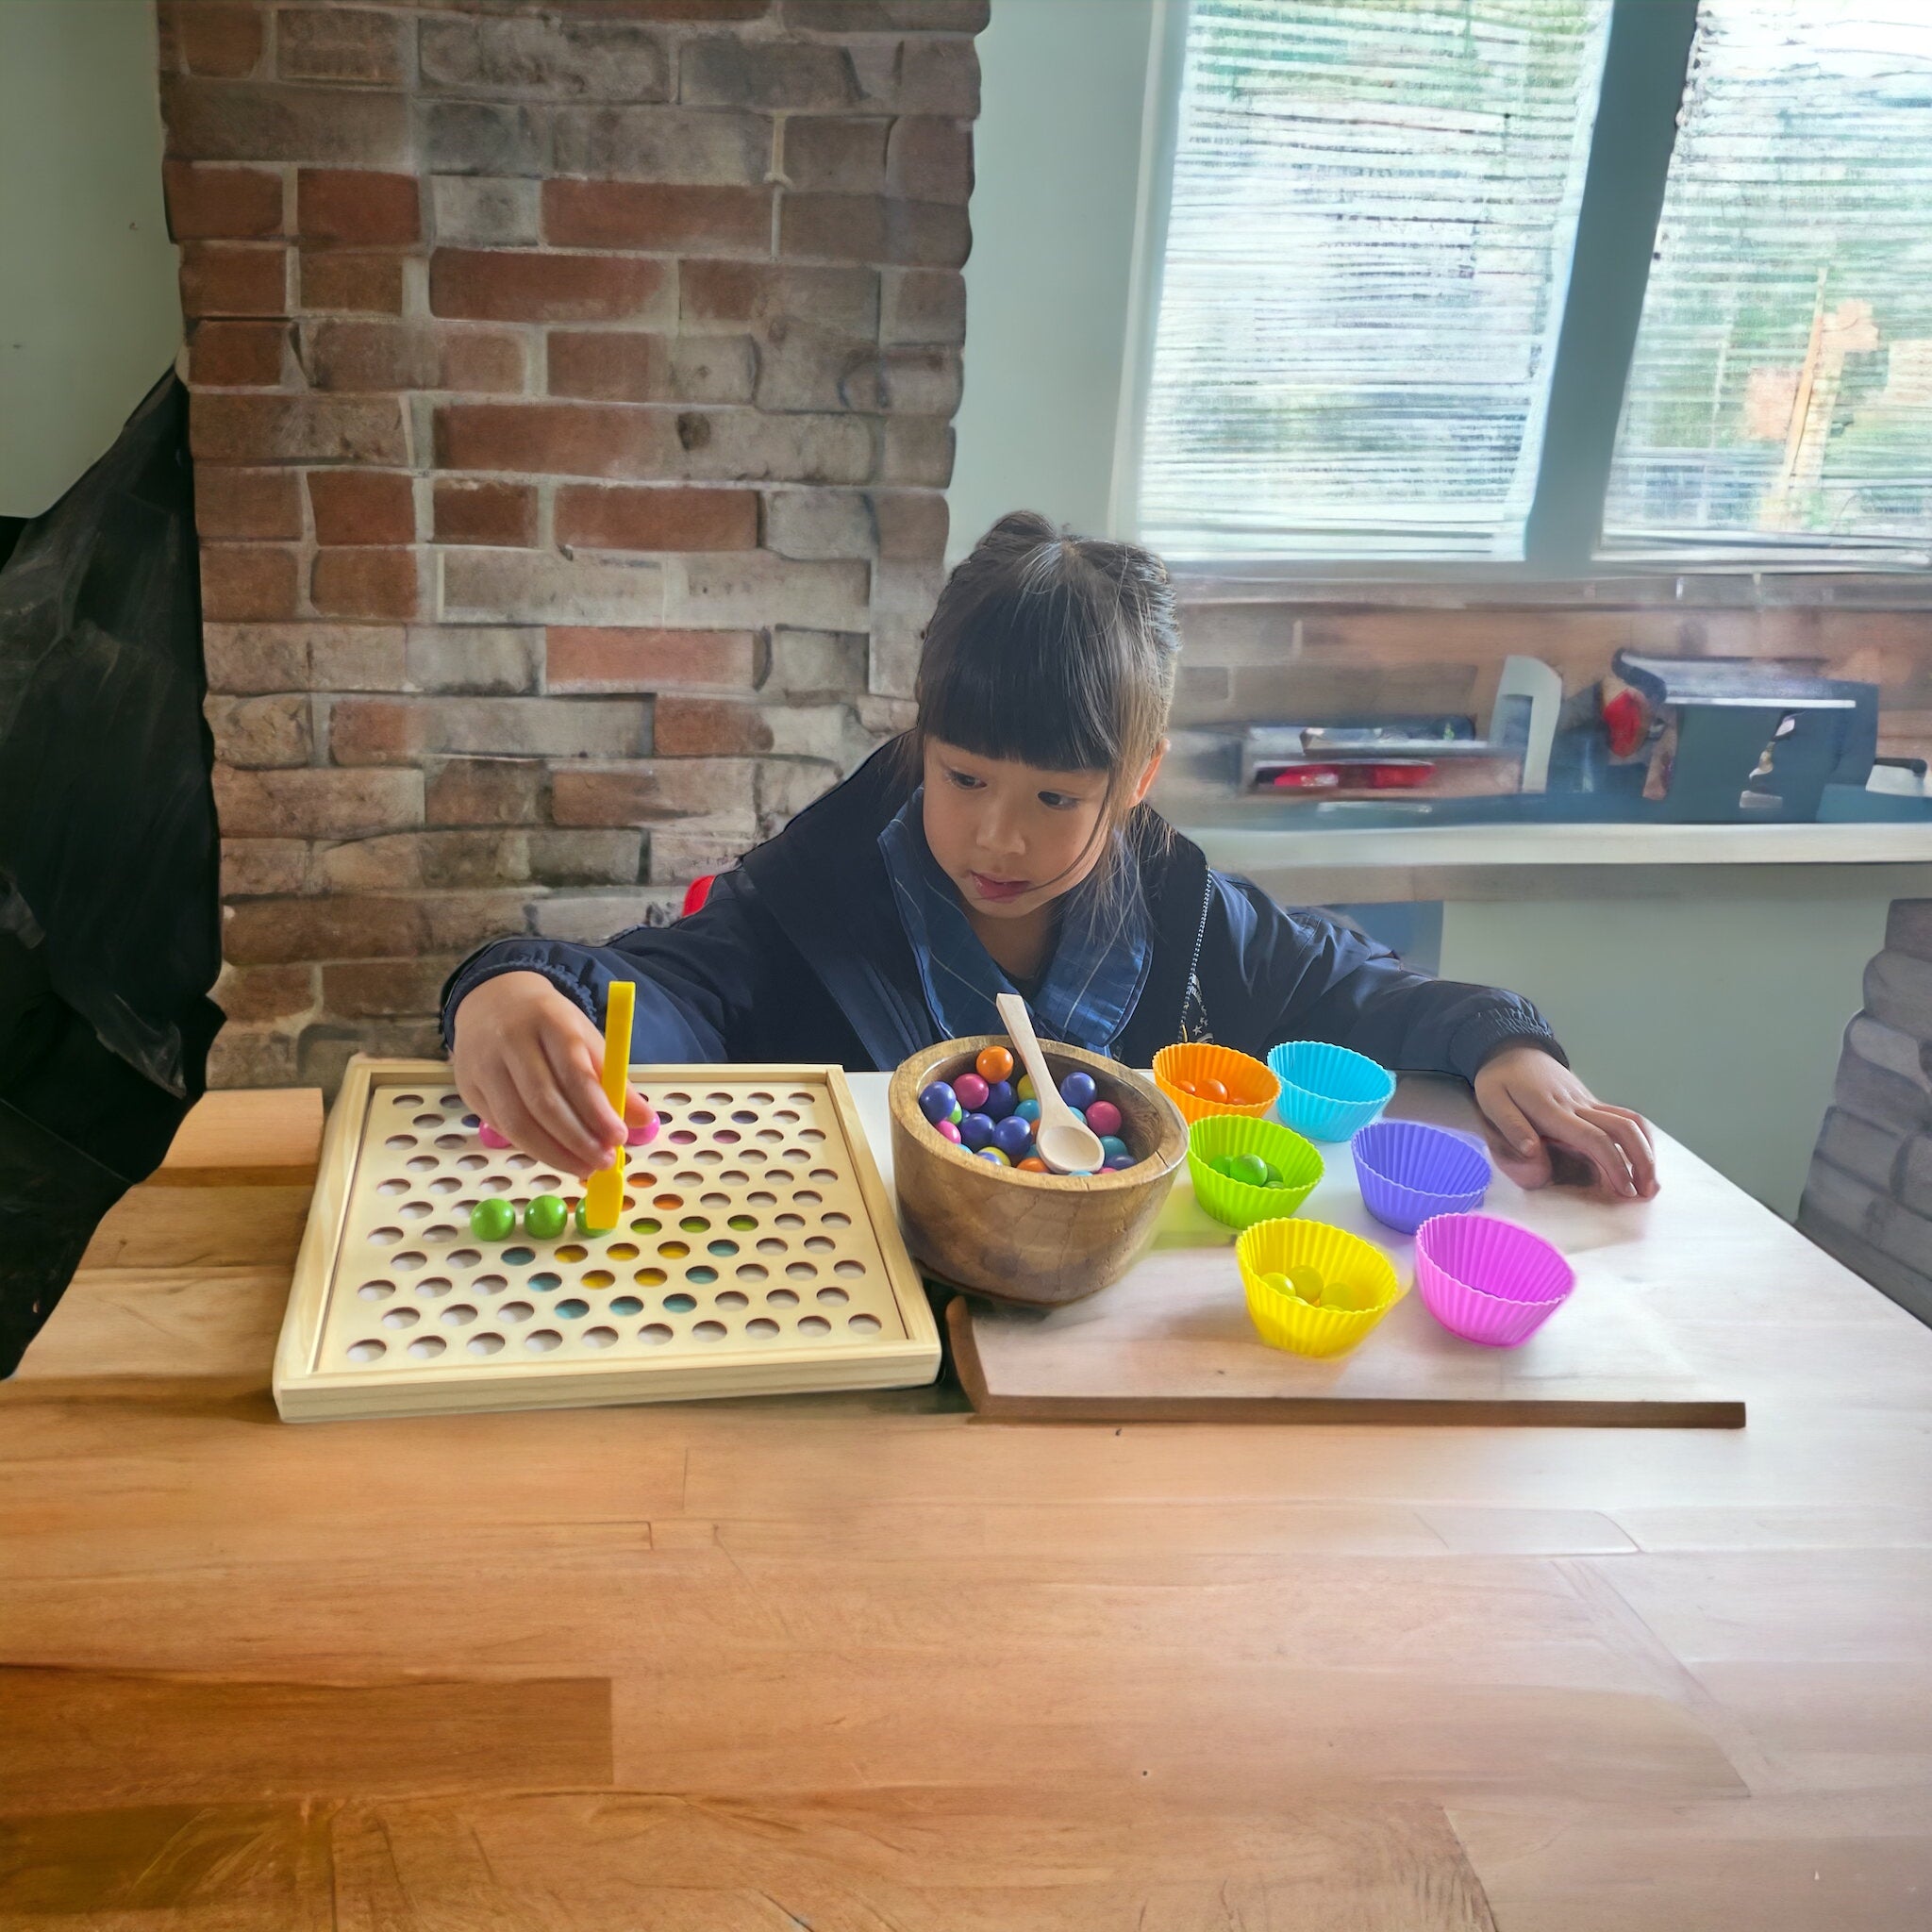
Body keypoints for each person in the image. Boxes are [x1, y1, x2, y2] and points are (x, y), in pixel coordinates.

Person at [442, 511, 1657, 1202]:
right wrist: (514, 987)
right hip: (874, 1342)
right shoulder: (816, 898)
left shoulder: (1187, 918)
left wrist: (1507, 1044)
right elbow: (672, 989)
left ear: (1133, 784)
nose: (995, 835)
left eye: (1054, 796)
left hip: (1118, 1366)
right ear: (922, 743)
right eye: (962, 777)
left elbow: (1356, 987)